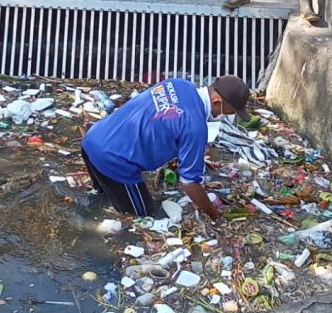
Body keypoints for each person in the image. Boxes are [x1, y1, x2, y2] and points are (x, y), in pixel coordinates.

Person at [80, 75, 252, 220]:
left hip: (93, 139)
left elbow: (164, 121)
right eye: (230, 111)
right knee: (142, 218)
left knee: (101, 196)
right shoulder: (195, 127)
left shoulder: (178, 84)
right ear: (216, 101)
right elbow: (190, 182)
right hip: (114, 161)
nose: (228, 115)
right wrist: (214, 214)